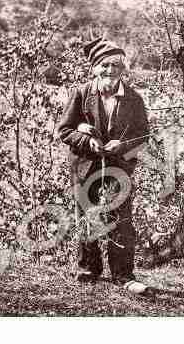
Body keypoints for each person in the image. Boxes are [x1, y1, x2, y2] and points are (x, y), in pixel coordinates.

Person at [57, 38, 149, 290]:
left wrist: (123, 145)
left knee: (121, 218)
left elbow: (143, 136)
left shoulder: (134, 99)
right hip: (85, 166)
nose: (111, 71)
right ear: (95, 67)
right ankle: (88, 268)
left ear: (123, 69)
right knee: (86, 216)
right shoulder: (81, 93)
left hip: (119, 168)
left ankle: (124, 276)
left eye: (116, 66)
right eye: (105, 65)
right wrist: (87, 141)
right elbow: (63, 130)